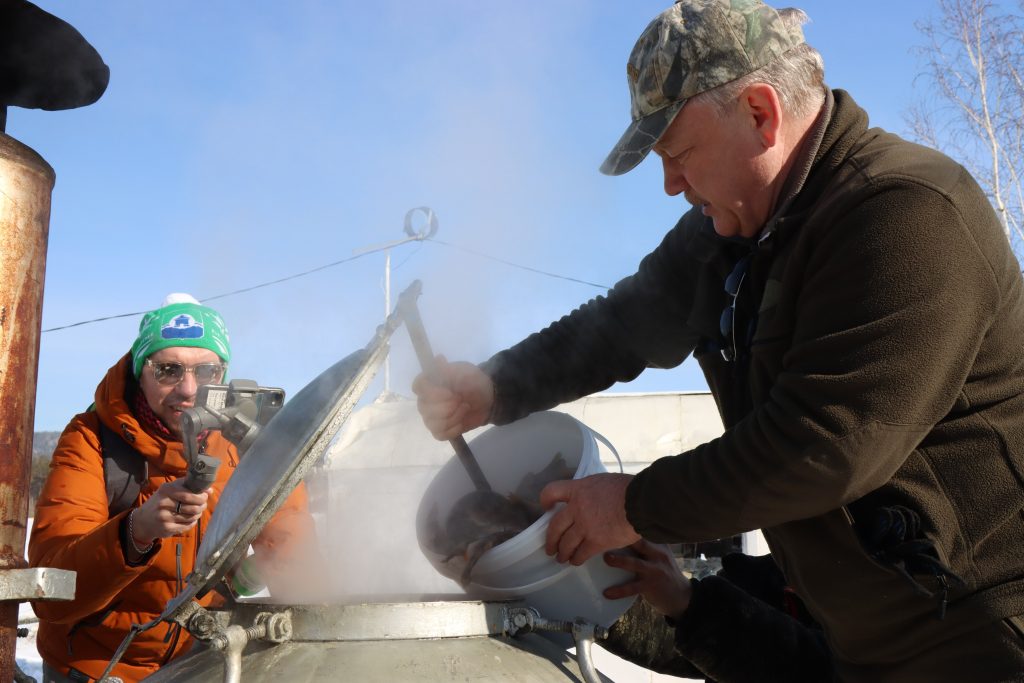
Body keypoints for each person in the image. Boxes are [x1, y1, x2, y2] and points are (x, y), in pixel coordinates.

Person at [412, 1, 1024, 680]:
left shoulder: (905, 215)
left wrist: (632, 505)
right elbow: (621, 324)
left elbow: (823, 442)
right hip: (873, 650)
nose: (671, 183)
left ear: (760, 113)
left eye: (677, 152)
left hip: (986, 637)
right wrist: (493, 387)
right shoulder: (727, 238)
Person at [29, 294, 316, 683]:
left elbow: (292, 534)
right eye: (168, 370)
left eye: (207, 372)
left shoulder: (244, 442)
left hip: (203, 662)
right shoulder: (91, 440)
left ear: (223, 374)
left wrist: (265, 565)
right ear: (139, 372)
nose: (187, 389)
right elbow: (52, 592)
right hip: (94, 666)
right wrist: (136, 532)